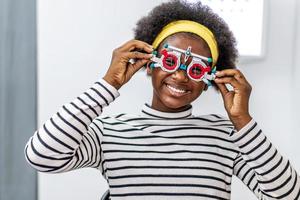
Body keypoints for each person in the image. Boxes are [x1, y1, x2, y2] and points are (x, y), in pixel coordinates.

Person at [25, 0, 300, 199]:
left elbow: (286, 195)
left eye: (195, 69)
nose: (180, 77)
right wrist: (109, 83)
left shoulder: (227, 136)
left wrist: (242, 121)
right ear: (150, 64)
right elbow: (42, 156)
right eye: (170, 61)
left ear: (209, 82)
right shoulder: (110, 132)